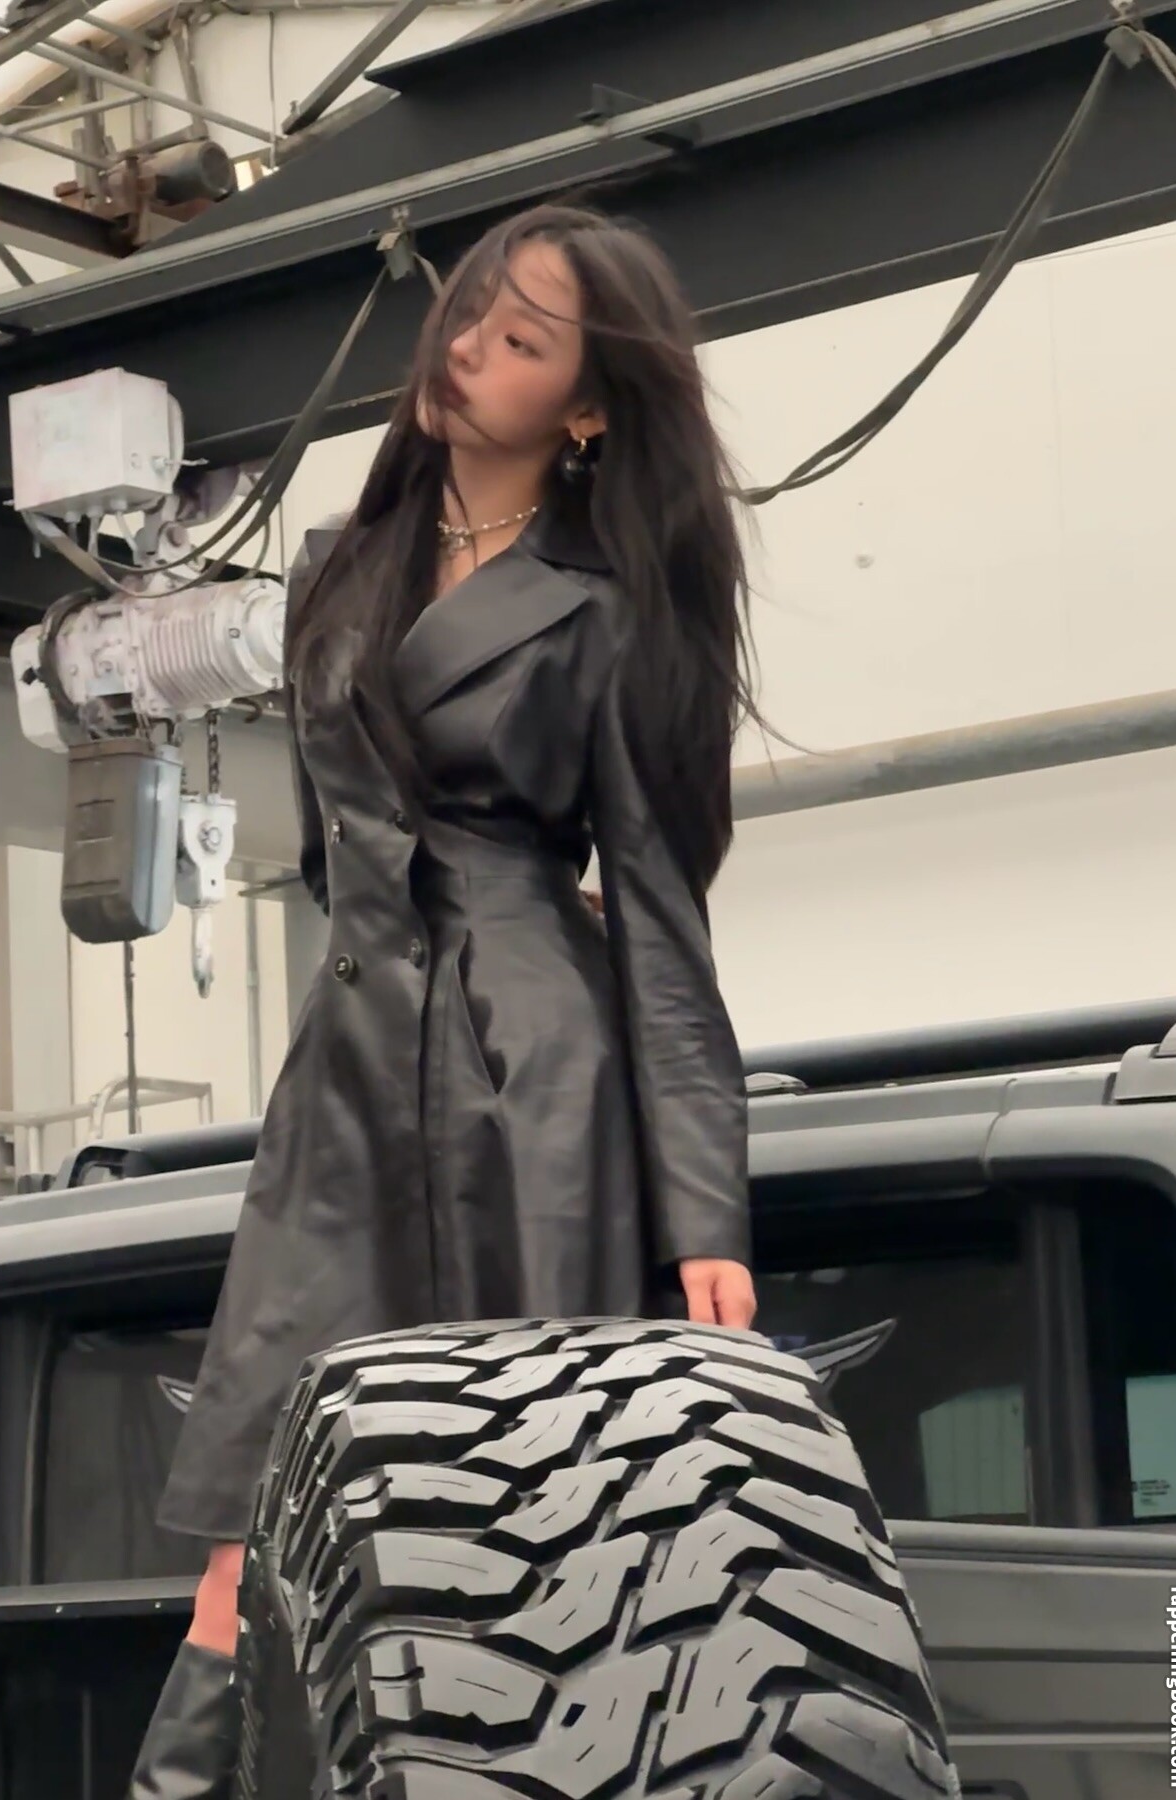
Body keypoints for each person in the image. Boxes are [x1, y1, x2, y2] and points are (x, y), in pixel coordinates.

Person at [126, 201, 760, 1797]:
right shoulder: (337, 568)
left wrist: (705, 1214)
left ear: (589, 407)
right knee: (245, 1539)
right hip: (345, 1080)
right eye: (469, 313)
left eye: (522, 341)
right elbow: (337, 851)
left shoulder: (609, 607)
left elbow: (662, 926)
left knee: (522, 1523)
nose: (468, 350)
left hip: (527, 1081)